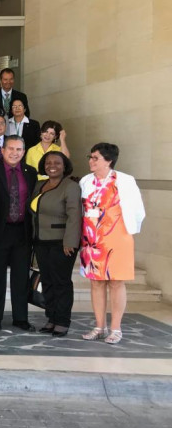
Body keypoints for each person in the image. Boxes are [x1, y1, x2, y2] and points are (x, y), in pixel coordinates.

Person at [79, 143, 145, 345]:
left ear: (108, 161)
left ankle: (116, 328)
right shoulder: (85, 181)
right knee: (96, 282)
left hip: (118, 236)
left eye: (95, 158)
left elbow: (137, 210)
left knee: (116, 282)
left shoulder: (125, 181)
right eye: (90, 157)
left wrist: (129, 231)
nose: (91, 161)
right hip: (92, 238)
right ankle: (99, 326)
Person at [0, 136, 38, 331]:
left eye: (19, 149)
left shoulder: (30, 172)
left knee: (21, 278)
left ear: (23, 152)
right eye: (11, 149)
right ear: (2, 150)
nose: (14, 153)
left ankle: (20, 318)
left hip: (22, 232)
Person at [30, 151, 81, 337]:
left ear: (64, 165)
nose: (52, 165)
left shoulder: (70, 186)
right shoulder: (39, 185)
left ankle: (62, 321)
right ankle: (51, 317)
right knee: (48, 282)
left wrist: (70, 242)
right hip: (41, 241)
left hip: (62, 243)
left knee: (61, 283)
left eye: (57, 163)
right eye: (48, 162)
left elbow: (74, 216)